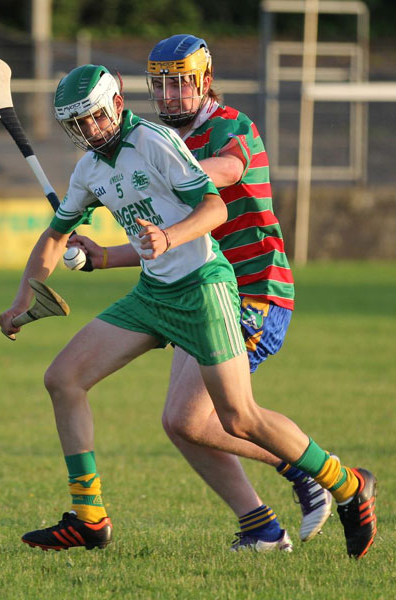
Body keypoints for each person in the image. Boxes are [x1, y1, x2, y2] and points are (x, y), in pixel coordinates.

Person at [0, 63, 376, 560]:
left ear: (115, 104)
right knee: (63, 378)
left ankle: (345, 483)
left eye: (93, 117)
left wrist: (170, 236)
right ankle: (90, 519)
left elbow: (215, 208)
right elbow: (55, 235)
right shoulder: (88, 170)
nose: (89, 130)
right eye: (78, 124)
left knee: (238, 418)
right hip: (154, 295)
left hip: (204, 288)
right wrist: (24, 296)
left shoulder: (155, 141)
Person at [72, 35, 333, 551]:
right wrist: (105, 252)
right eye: (160, 85)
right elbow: (161, 241)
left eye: (180, 84)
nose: (169, 96)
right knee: (182, 422)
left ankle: (319, 474)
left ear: (205, 81)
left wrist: (144, 180)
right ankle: (260, 525)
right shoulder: (159, 145)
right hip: (198, 292)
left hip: (253, 291)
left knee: (219, 417)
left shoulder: (230, 127)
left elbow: (228, 172)